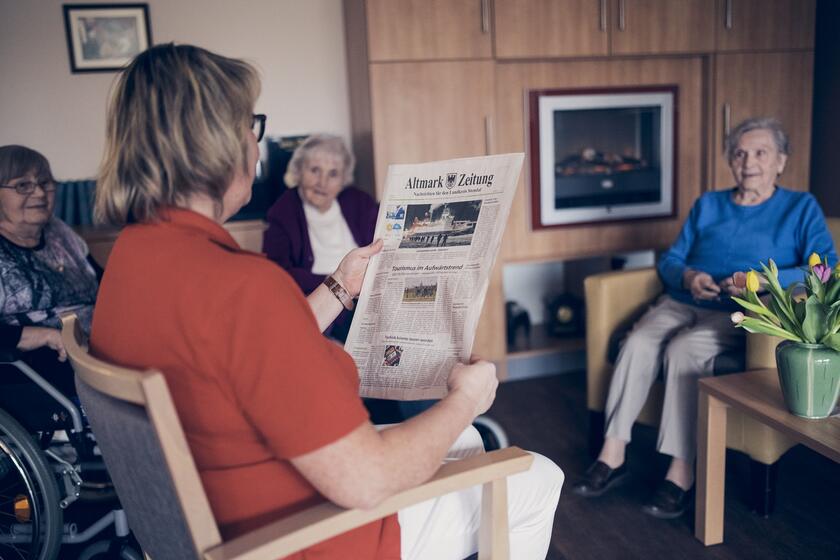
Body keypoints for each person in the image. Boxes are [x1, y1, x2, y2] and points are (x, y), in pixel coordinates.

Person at [91, 43, 563, 559]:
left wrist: (339, 286)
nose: (255, 141)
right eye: (251, 124)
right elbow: (367, 481)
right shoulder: (243, 285)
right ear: (218, 145)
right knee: (536, 476)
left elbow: (239, 351)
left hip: (231, 508)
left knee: (468, 439)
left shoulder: (133, 260)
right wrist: (465, 398)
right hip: (304, 535)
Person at [573, 117, 837, 519]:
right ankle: (613, 453)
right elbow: (673, 259)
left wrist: (757, 282)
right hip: (683, 300)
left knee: (684, 350)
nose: (749, 162)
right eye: (740, 153)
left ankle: (681, 471)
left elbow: (825, 268)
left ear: (781, 161)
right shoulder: (708, 204)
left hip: (738, 312)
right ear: (731, 161)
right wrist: (689, 276)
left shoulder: (800, 208)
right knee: (639, 342)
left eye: (761, 153)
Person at [0, 145, 100, 431]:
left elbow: (101, 284)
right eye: (23, 185)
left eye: (45, 183)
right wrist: (41, 335)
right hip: (42, 369)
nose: (40, 193)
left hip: (96, 351)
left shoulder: (59, 233)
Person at [263, 134, 377, 341]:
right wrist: (331, 283)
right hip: (318, 304)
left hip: (365, 299)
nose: (322, 182)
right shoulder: (283, 212)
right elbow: (277, 273)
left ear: (343, 180)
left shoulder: (360, 203)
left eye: (333, 174)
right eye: (315, 170)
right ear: (298, 171)